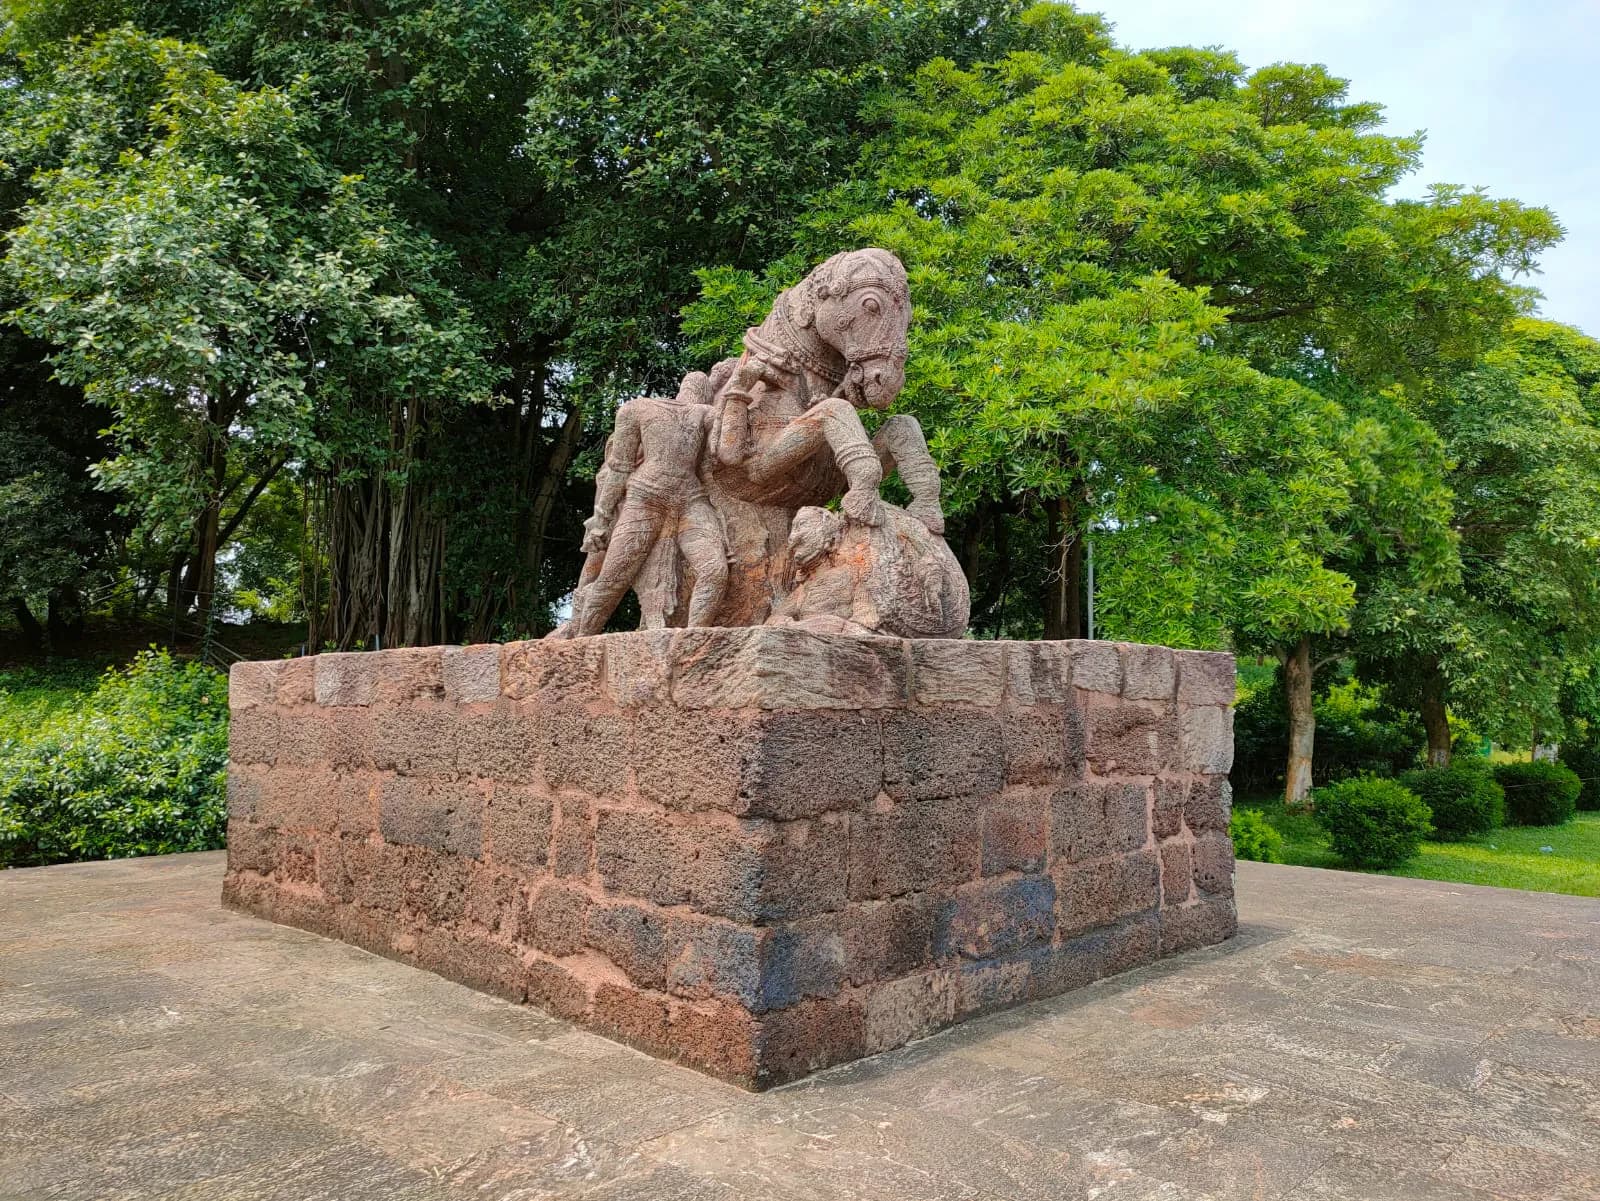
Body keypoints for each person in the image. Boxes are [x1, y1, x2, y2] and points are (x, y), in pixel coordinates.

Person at [559, 372, 729, 637]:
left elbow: (620, 469)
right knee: (613, 579)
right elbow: (618, 468)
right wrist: (601, 519)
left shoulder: (647, 409)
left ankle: (692, 639)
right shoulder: (650, 410)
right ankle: (580, 642)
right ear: (705, 393)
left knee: (713, 569)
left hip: (686, 501)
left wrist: (601, 519)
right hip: (649, 500)